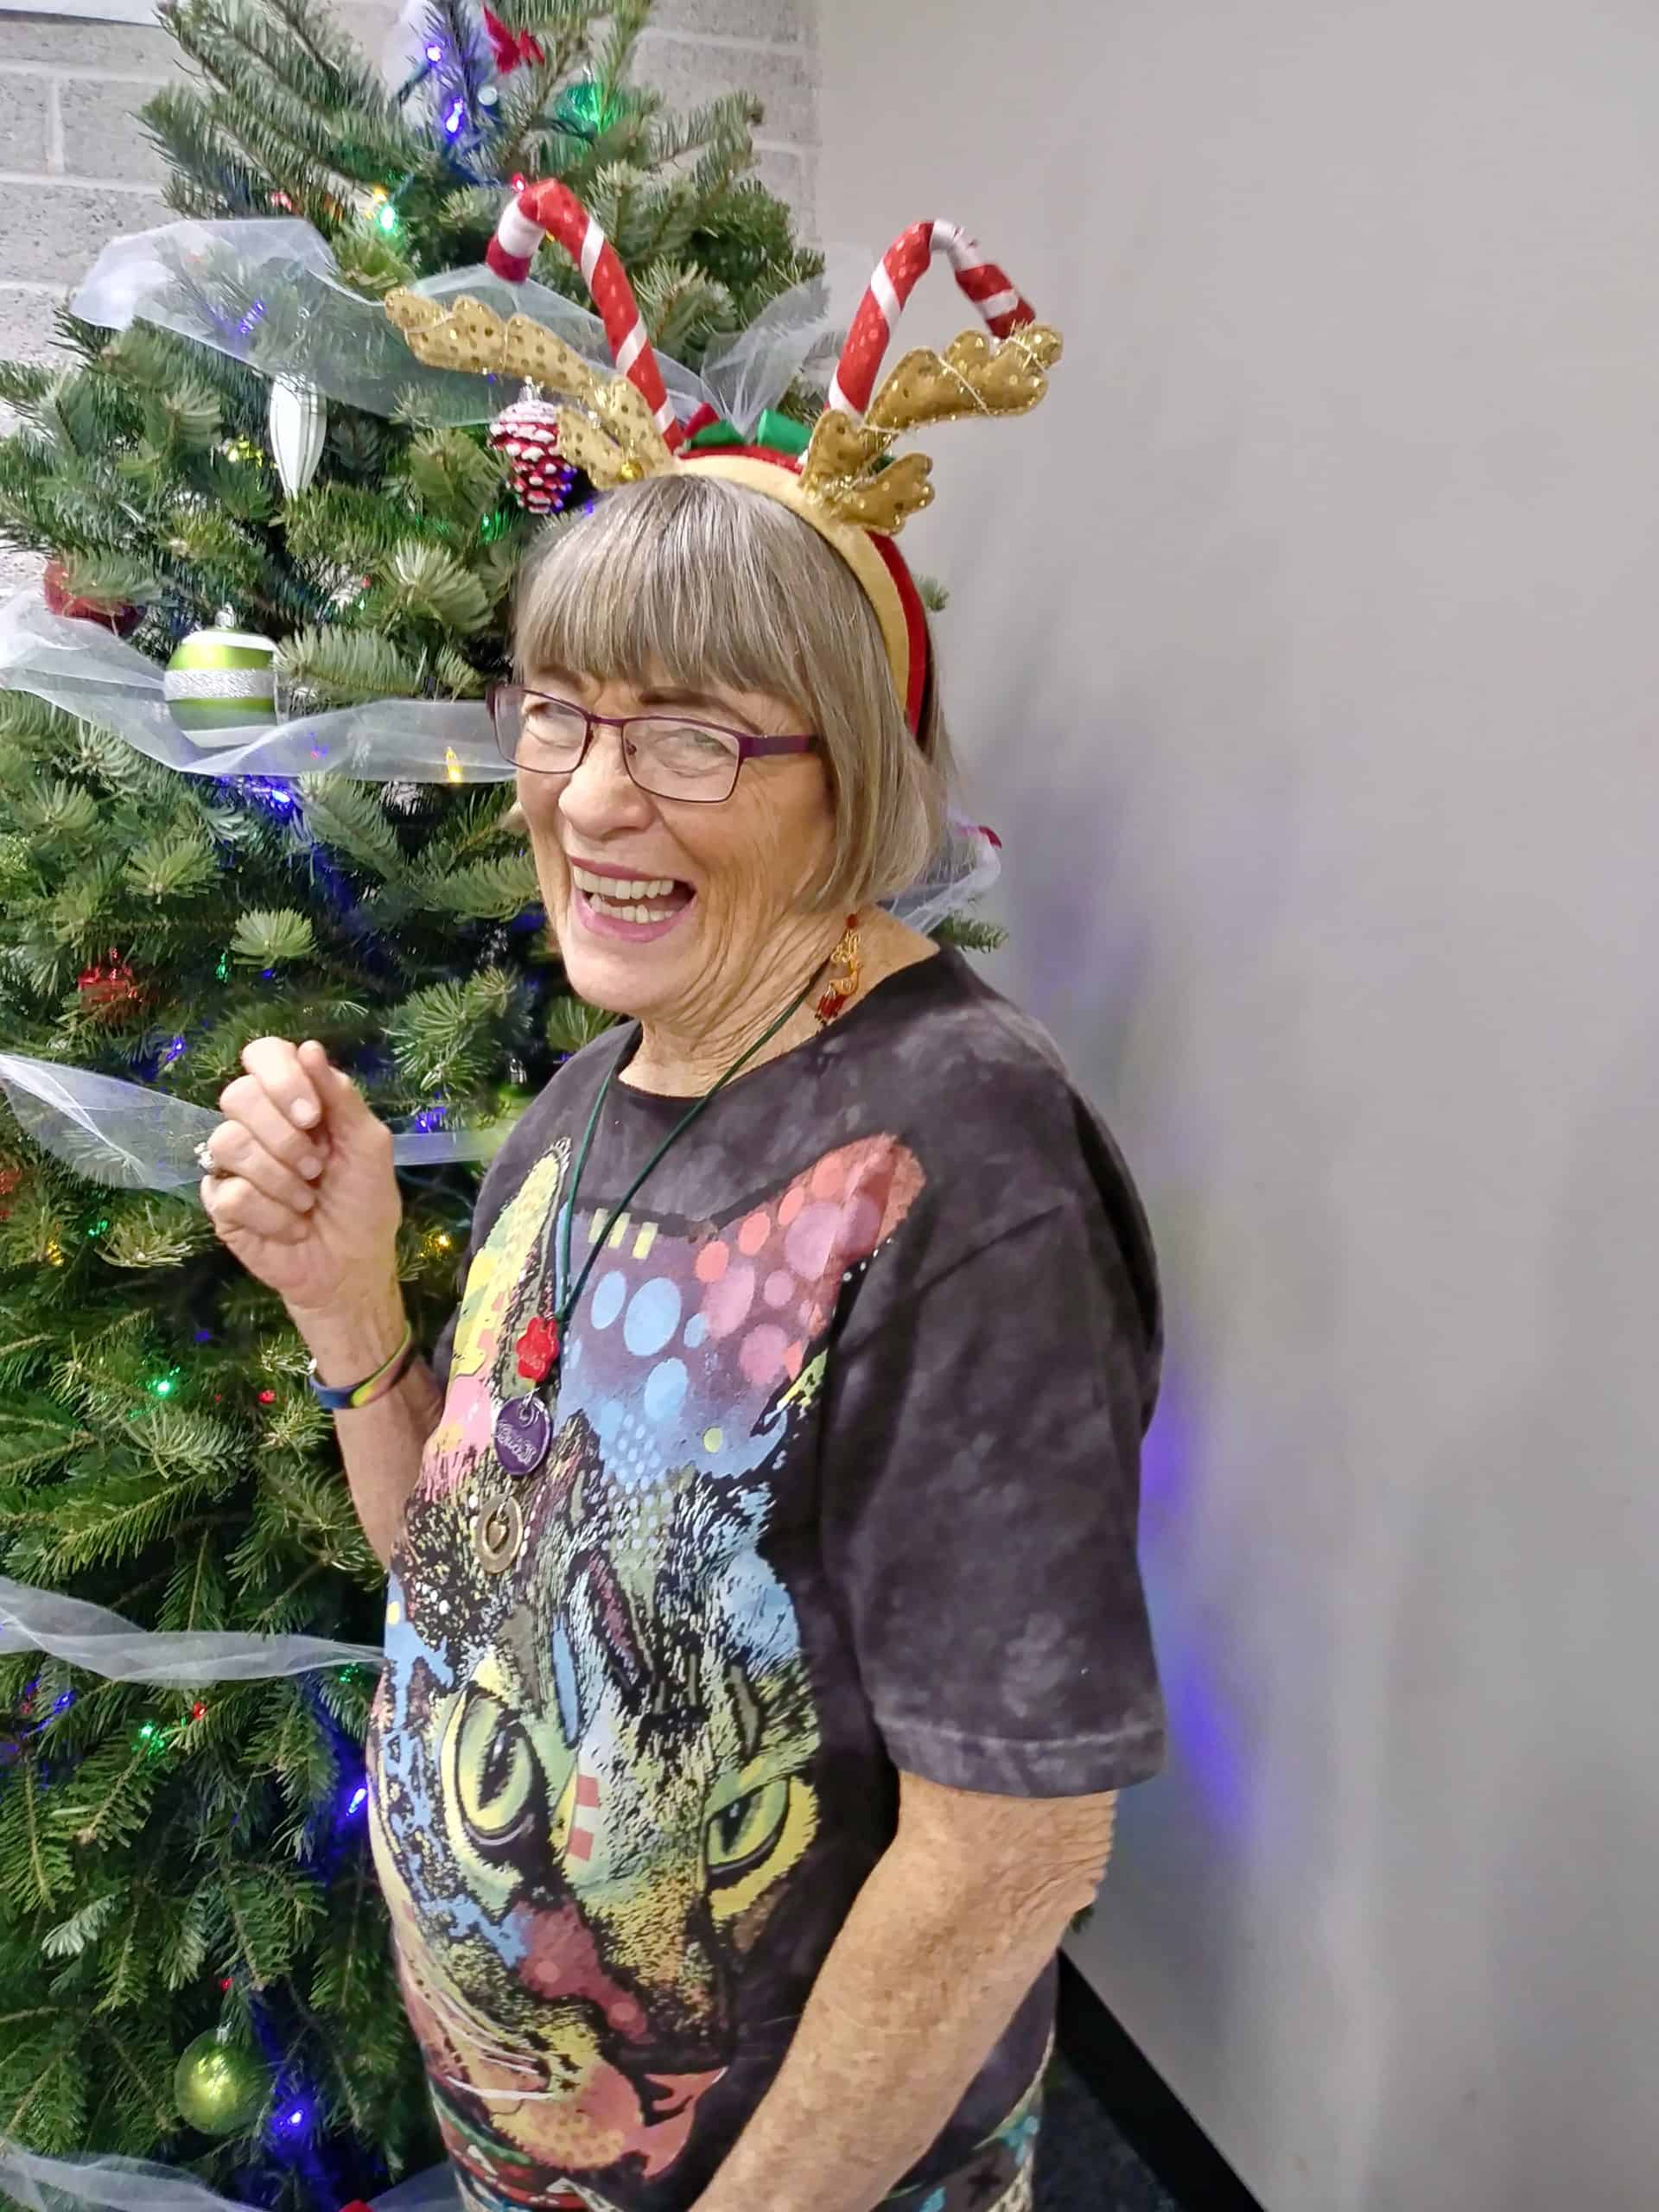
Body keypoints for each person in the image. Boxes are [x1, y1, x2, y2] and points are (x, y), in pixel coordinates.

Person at [200, 194, 1165, 2212]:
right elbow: (467, 1594)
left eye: (696, 734)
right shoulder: (596, 1086)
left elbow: (1011, 1852)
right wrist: (347, 1298)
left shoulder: (961, 1155)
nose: (591, 795)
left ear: (856, 783)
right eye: (559, 711)